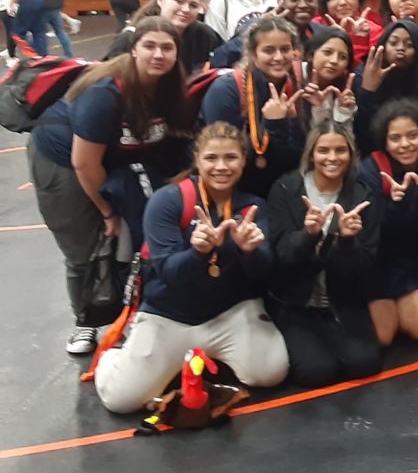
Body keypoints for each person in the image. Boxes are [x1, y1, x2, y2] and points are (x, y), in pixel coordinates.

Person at [94, 122, 288, 412]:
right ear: (197, 160)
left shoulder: (252, 207)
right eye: (211, 158)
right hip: (169, 316)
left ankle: (208, 357)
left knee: (271, 373)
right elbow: (170, 273)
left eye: (231, 158)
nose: (221, 166)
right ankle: (119, 352)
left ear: (243, 160)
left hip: (229, 313)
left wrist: (251, 253)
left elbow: (265, 272)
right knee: (120, 400)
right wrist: (198, 253)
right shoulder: (168, 201)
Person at [28, 17, 193, 354]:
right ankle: (86, 321)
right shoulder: (105, 93)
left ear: (177, 54)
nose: (158, 54)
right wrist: (107, 211)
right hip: (64, 160)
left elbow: (171, 139)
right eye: (150, 46)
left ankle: (137, 313)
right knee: (85, 245)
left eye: (167, 47)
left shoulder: (170, 87)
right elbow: (83, 163)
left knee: (138, 233)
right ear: (134, 49)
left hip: (113, 156)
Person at [267, 121, 383, 387]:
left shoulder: (363, 195)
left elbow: (365, 268)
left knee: (364, 364)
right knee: (316, 372)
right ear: (311, 154)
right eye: (323, 150)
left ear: (351, 154)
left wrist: (347, 242)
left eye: (340, 150)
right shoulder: (285, 189)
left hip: (342, 300)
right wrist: (308, 236)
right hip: (295, 301)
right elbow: (282, 259)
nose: (332, 158)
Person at [360, 100, 418, 344]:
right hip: (380, 265)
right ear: (385, 142)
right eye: (395, 138)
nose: (405, 144)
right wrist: (396, 202)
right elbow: (376, 229)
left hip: (416, 263)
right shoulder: (371, 169)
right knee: (383, 338)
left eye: (412, 136)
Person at [200, 17, 307, 198]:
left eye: (285, 49)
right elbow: (223, 154)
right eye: (269, 50)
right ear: (253, 53)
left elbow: (294, 157)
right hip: (235, 190)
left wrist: (293, 124)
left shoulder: (296, 86)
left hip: (279, 189)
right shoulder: (226, 90)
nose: (279, 57)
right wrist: (273, 124)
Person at [104, 0, 221, 75]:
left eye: (193, 5)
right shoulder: (131, 37)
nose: (186, 9)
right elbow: (108, 79)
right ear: (161, 0)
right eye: (179, 1)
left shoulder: (204, 35)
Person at [313, 0, 377, 65]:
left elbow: (362, 72)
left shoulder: (374, 31)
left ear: (359, 0)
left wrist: (359, 39)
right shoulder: (315, 27)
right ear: (325, 3)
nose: (343, 2)